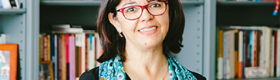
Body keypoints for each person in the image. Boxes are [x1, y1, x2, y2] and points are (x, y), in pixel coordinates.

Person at [80, 0, 206, 80]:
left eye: (155, 5)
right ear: (115, 21)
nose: (146, 16)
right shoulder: (93, 78)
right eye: (131, 9)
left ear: (170, 13)